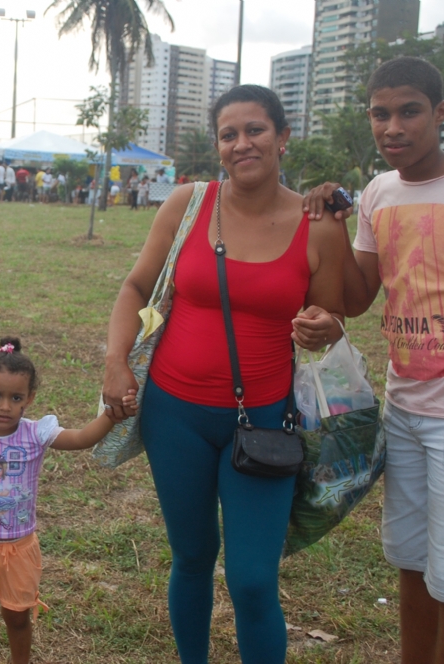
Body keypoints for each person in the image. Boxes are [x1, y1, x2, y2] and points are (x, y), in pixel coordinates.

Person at [102, 85, 347, 664]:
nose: (243, 144)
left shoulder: (319, 227)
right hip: (173, 414)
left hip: (263, 422)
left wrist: (324, 325)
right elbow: (137, 286)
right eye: (229, 134)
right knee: (191, 557)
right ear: (218, 145)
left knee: (253, 579)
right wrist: (116, 362)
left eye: (256, 130)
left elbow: (334, 314)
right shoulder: (188, 205)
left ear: (283, 138)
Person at [303, 57, 444, 664]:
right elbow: (354, 299)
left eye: (409, 112)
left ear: (441, 112)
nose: (393, 127)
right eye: (381, 114)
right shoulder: (379, 191)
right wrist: (328, 221)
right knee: (410, 559)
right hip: (403, 405)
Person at [0, 337, 136, 664]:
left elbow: (82, 438)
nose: (4, 406)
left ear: (30, 398)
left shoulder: (35, 434)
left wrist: (112, 416)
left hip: (21, 548)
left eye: (16, 398)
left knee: (17, 619)